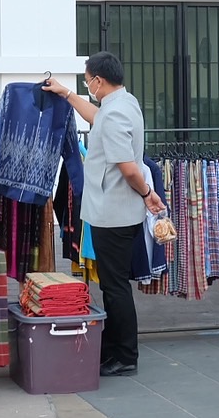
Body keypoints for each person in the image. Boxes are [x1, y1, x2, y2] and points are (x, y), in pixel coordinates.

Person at [44, 53, 166, 378]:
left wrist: (147, 194)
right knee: (114, 285)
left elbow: (127, 167)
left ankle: (124, 355)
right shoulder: (124, 103)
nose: (88, 87)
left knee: (114, 287)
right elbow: (97, 117)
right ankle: (116, 350)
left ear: (98, 80)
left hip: (113, 213)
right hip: (115, 211)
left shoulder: (115, 114)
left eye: (87, 82)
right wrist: (67, 94)